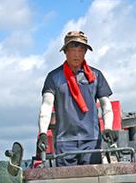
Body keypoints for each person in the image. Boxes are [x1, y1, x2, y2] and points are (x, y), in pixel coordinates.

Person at [38, 30, 118, 166]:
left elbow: (106, 105)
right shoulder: (54, 77)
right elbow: (46, 105)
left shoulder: (96, 76)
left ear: (85, 52)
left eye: (81, 50)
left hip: (92, 140)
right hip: (64, 141)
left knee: (93, 176)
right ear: (65, 51)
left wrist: (108, 128)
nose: (77, 54)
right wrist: (43, 133)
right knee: (65, 178)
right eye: (73, 49)